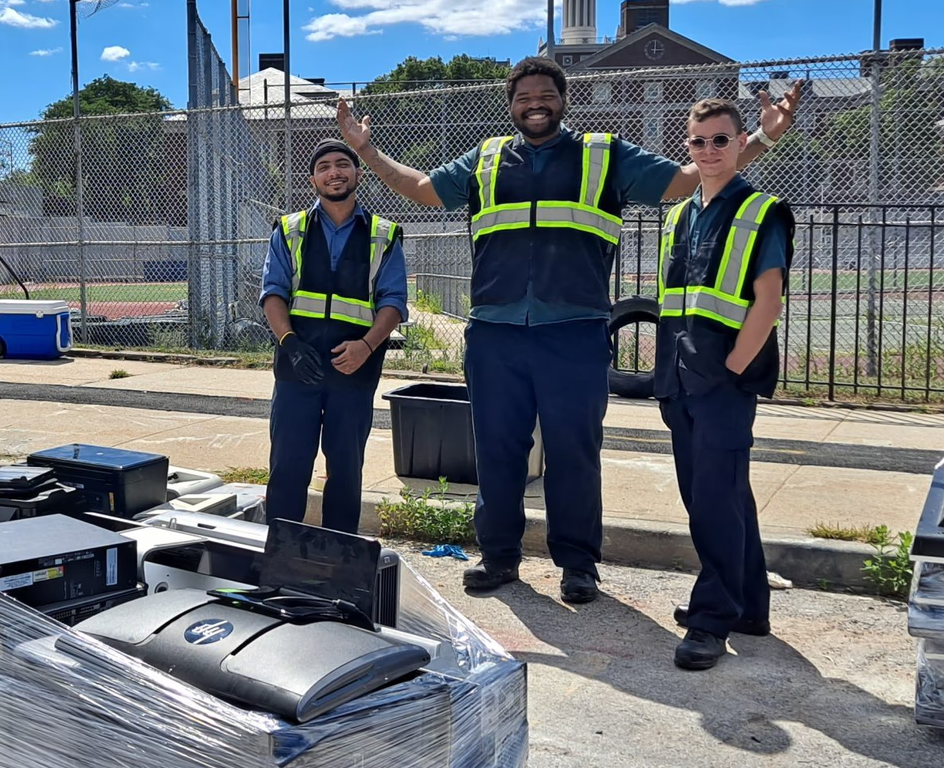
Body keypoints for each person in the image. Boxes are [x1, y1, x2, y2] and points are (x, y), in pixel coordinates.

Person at [340, 57, 800, 603]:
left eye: (546, 94)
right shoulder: (486, 160)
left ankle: (578, 565)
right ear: (510, 105)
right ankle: (500, 557)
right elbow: (419, 187)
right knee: (496, 450)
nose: (535, 104)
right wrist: (365, 150)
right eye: (524, 96)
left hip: (575, 333)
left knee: (573, 451)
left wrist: (764, 141)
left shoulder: (604, 155)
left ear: (563, 100)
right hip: (496, 334)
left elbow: (687, 178)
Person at [656, 99, 795, 670]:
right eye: (698, 142)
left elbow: (769, 299)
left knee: (713, 499)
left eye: (720, 140)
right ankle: (749, 606)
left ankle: (712, 618)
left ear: (742, 142)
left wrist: (734, 367)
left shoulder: (762, 211)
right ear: (687, 147)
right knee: (724, 493)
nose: (709, 151)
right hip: (681, 376)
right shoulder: (680, 214)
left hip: (722, 380)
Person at [259, 137, 407, 535]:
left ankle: (338, 556)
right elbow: (273, 293)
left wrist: (366, 346)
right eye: (324, 167)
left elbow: (393, 301)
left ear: (357, 173)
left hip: (352, 374)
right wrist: (289, 344)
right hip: (297, 371)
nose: (334, 172)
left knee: (345, 470)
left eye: (342, 164)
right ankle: (281, 552)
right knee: (288, 466)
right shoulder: (290, 231)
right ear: (313, 179)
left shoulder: (383, 234)